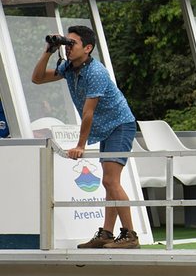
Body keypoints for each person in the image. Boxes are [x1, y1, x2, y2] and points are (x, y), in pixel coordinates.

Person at [31, 26, 139, 249]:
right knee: (109, 182)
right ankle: (107, 234)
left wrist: (80, 145)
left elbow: (88, 113)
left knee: (110, 180)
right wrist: (49, 51)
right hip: (107, 128)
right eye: (66, 43)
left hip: (120, 125)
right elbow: (37, 79)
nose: (68, 48)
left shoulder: (96, 72)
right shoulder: (69, 67)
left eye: (73, 44)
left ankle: (130, 235)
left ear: (88, 48)